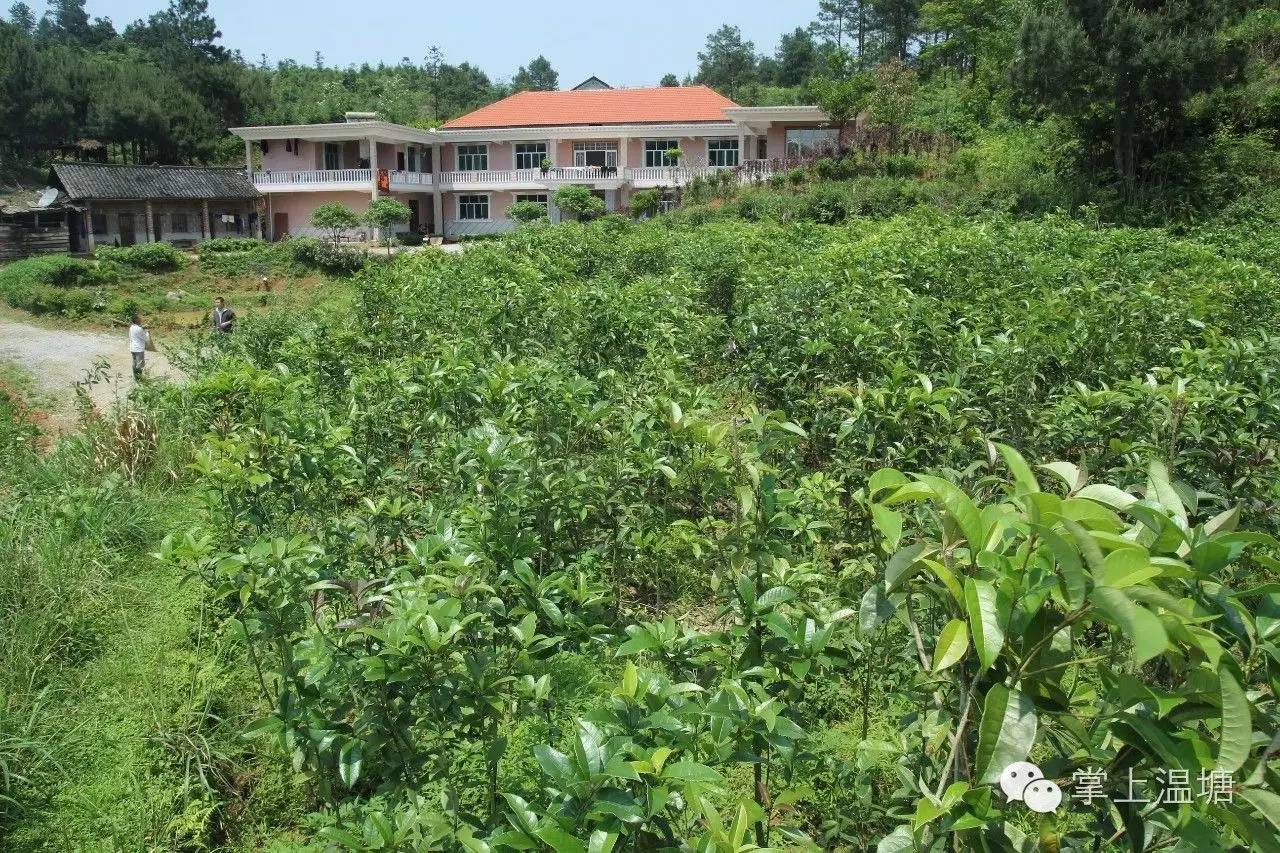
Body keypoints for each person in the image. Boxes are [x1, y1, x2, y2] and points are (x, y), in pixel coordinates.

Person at [128, 313, 149, 380]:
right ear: (136, 320)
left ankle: (135, 377)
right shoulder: (140, 329)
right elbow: (145, 338)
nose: (141, 319)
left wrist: (142, 328)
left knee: (134, 363)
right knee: (140, 365)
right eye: (140, 318)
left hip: (132, 348)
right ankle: (139, 379)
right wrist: (146, 331)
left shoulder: (131, 327)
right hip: (139, 349)